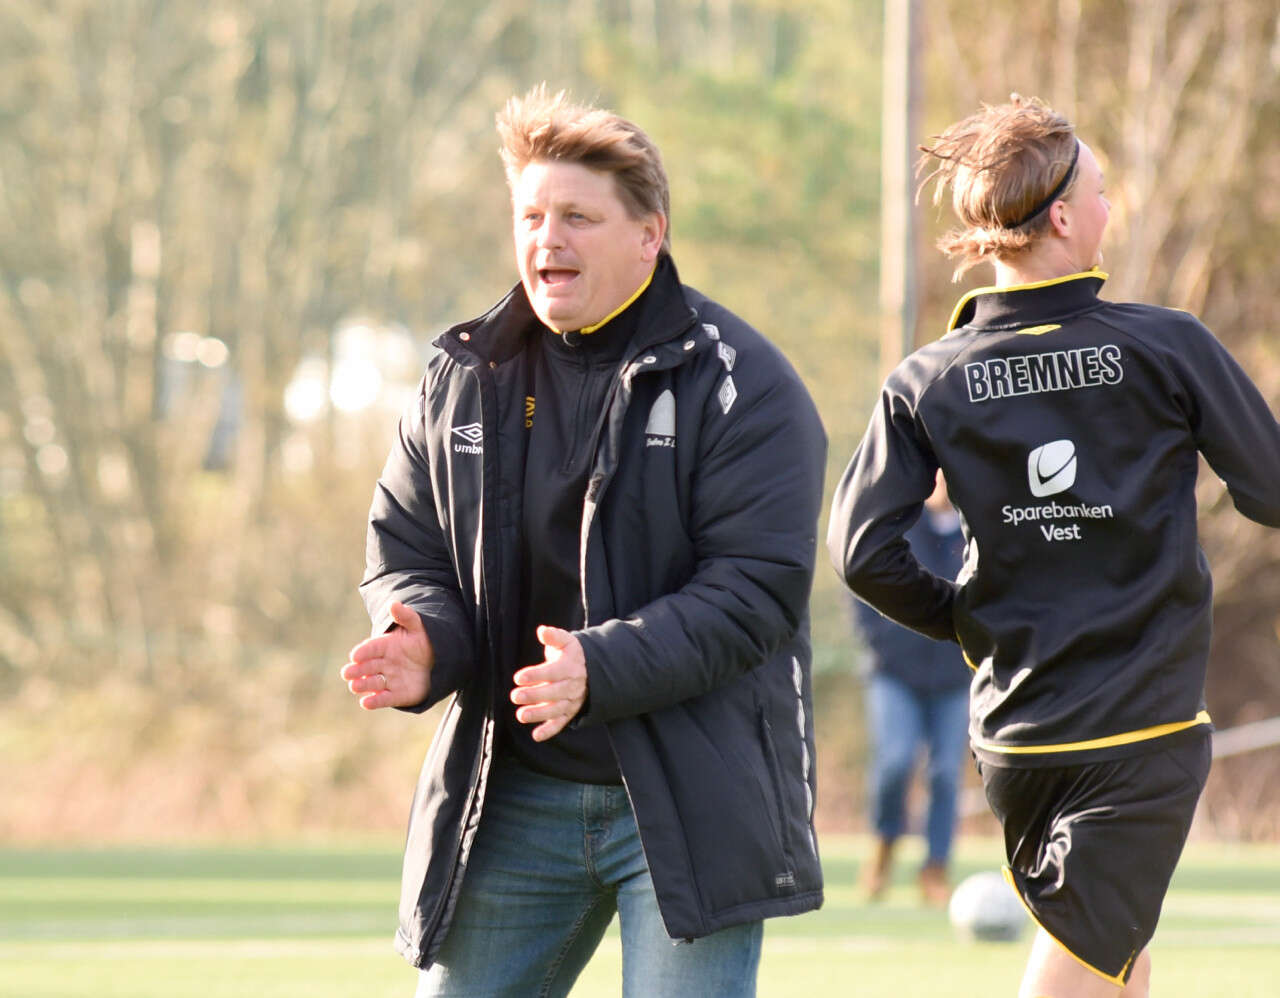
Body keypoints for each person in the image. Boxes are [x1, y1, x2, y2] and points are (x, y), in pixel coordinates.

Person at [340, 85, 827, 997]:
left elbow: (755, 591)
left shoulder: (744, 384)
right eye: (531, 216)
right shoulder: (463, 374)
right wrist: (426, 640)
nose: (547, 240)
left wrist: (599, 667)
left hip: (692, 800)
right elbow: (408, 545)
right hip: (512, 793)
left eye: (577, 218)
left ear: (650, 235)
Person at [827, 95, 1280, 998]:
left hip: (1014, 738)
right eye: (1102, 192)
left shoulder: (928, 377)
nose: (1111, 208)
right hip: (1139, 726)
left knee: (1117, 952)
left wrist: (969, 622)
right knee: (1083, 959)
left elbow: (859, 551)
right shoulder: (1168, 345)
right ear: (1065, 217)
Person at [851, 469, 969, 907]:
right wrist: (880, 645)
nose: (941, 480)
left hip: (955, 678)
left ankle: (935, 867)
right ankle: (884, 844)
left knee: (944, 774)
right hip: (894, 673)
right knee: (895, 762)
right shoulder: (900, 522)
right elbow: (862, 578)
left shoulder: (976, 531)